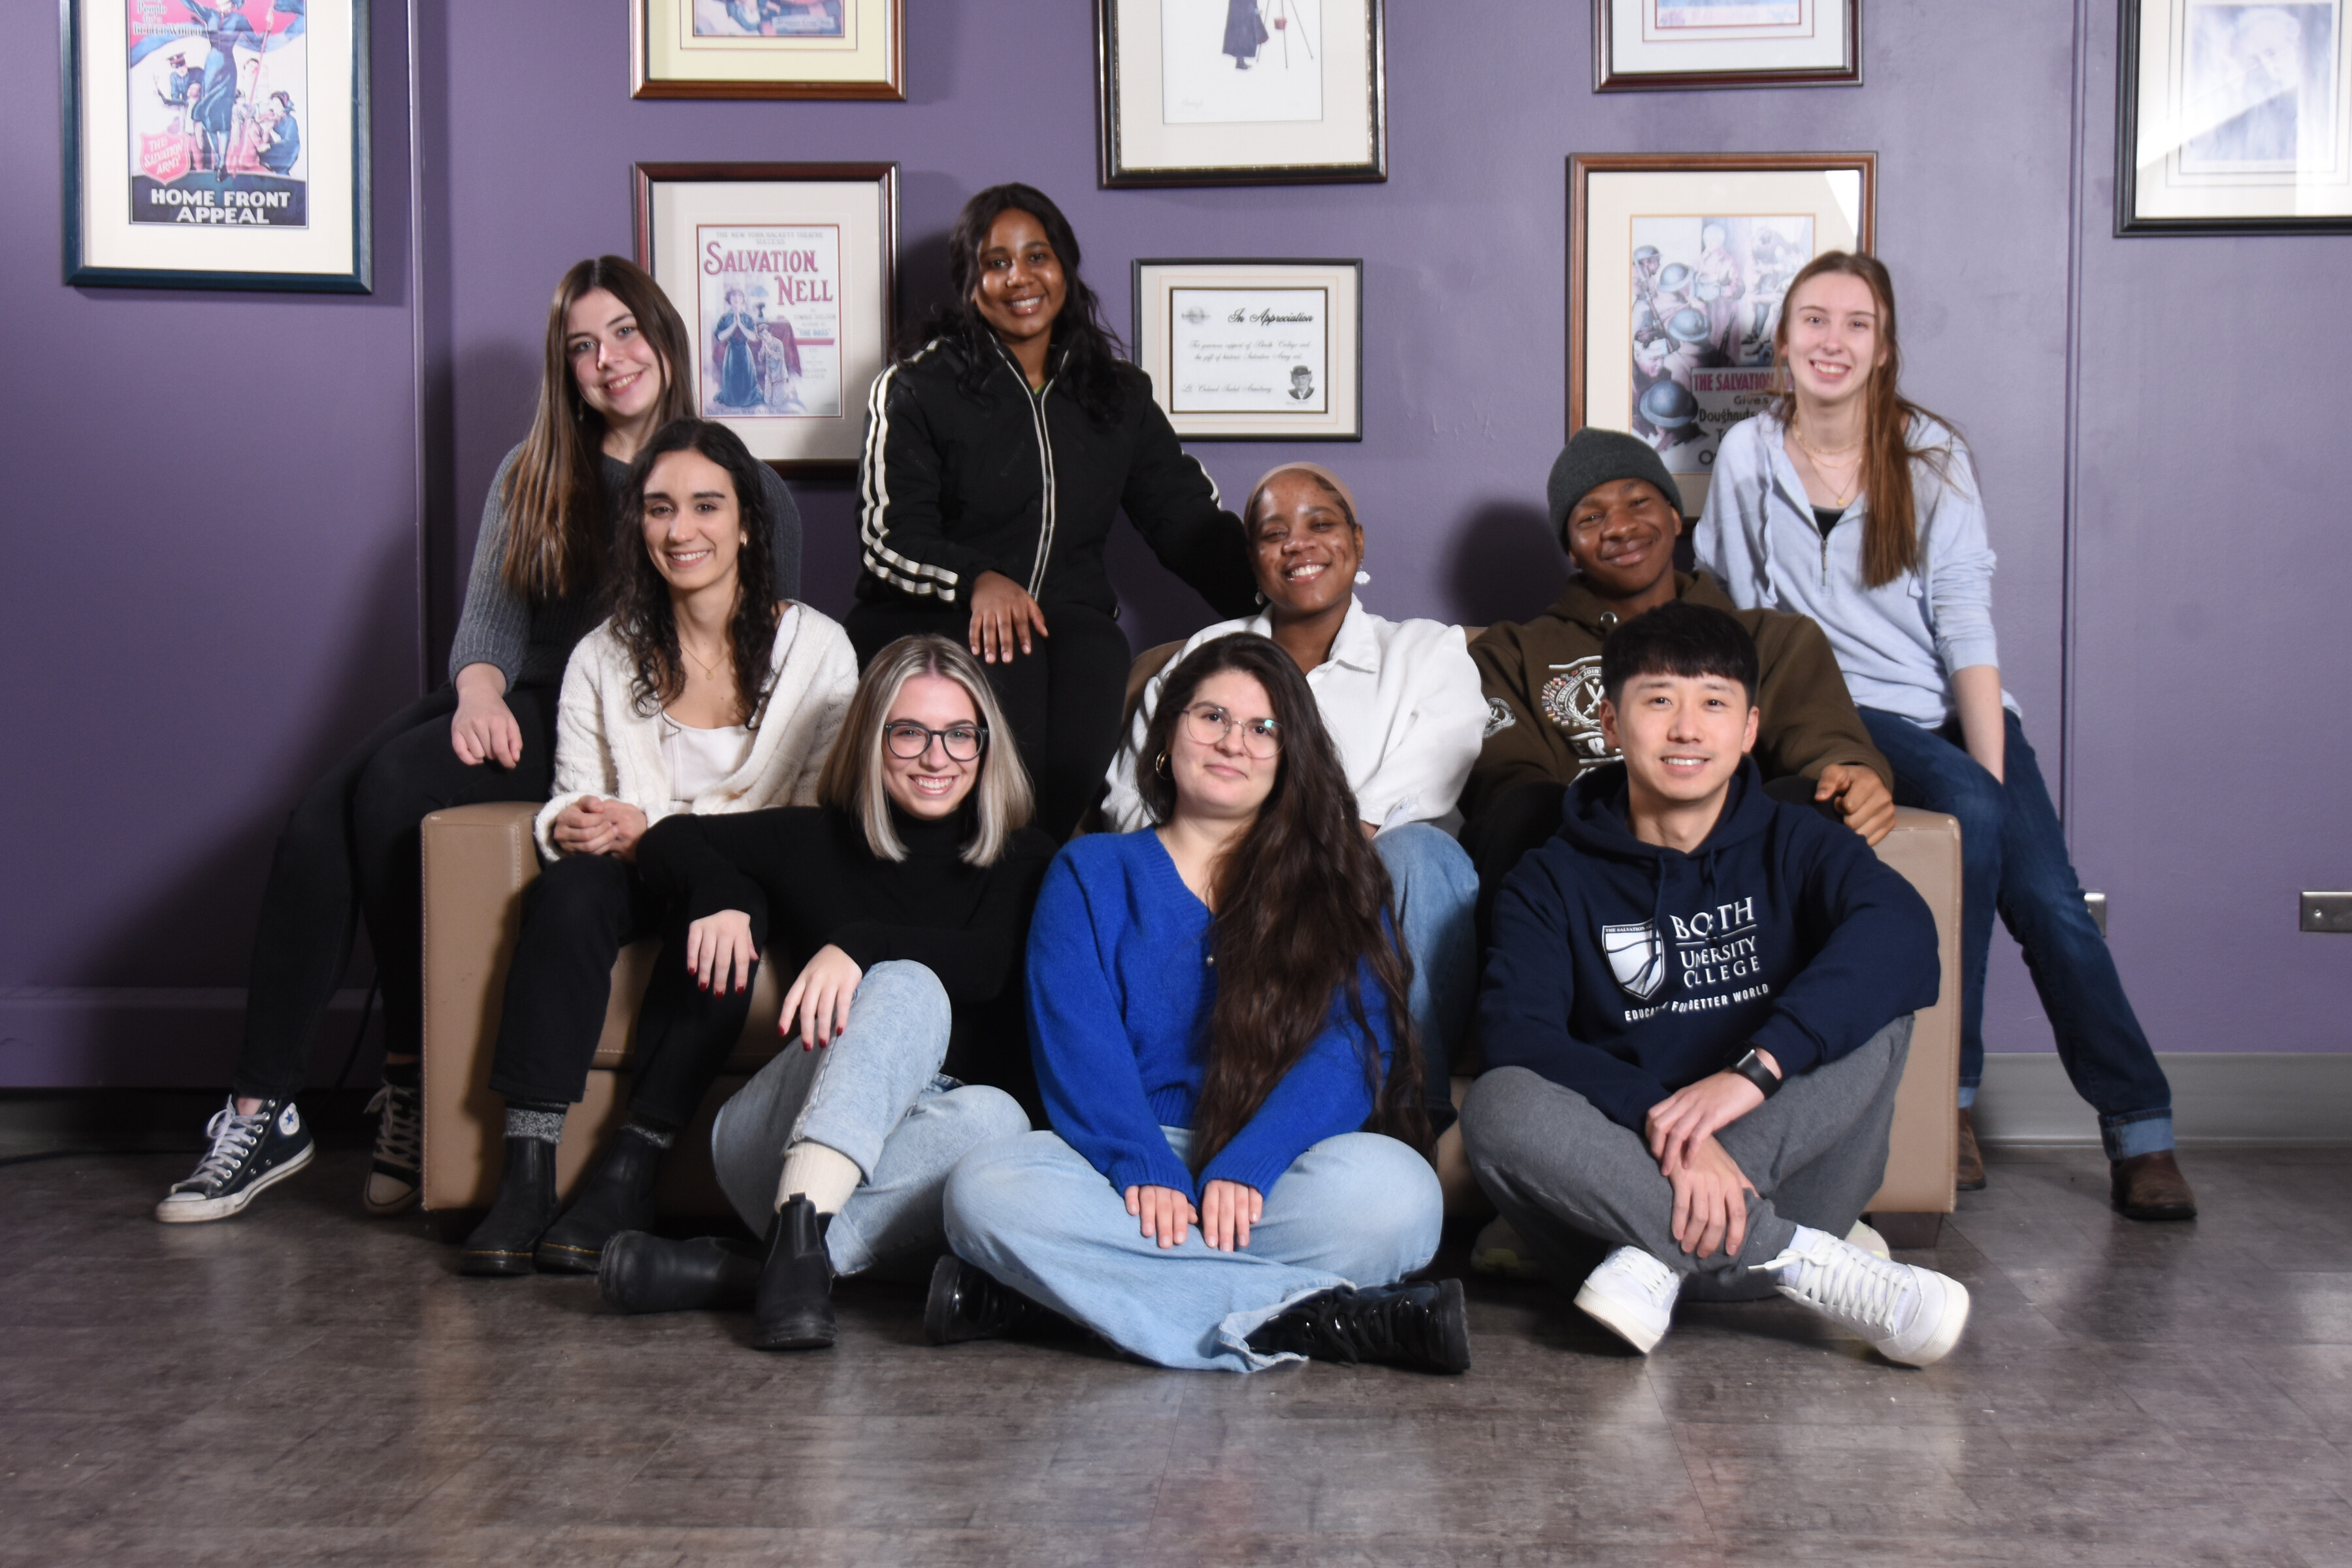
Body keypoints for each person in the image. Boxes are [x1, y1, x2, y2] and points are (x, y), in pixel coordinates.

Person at [155, 257, 804, 1225]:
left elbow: (767, 651)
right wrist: (474, 693)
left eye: (624, 332)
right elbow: (490, 629)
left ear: (663, 338)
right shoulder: (533, 469)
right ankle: (264, 1108)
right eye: (582, 346)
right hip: (515, 695)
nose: (607, 359)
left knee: (387, 791)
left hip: (607, 714)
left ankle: (409, 1078)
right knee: (318, 814)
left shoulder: (738, 486)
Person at [1695, 250, 2195, 1220]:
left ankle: (2142, 1130)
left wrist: (1991, 767)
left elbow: (1966, 621)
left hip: (1942, 706)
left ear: (1884, 349)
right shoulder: (1749, 455)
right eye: (1813, 320)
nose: (1832, 341)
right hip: (1834, 707)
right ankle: (1952, 1103)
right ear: (1785, 343)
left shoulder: (1929, 452)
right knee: (1972, 812)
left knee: (2051, 904)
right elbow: (1737, 603)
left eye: (1856, 324)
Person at [934, 635, 1463, 1375]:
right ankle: (1311, 1319)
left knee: (1402, 1196)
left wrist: (1252, 1163)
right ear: (1168, 734)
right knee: (984, 1190)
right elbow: (1079, 1044)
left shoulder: (1341, 884)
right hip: (1115, 1167)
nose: (1232, 743)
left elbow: (1352, 1046)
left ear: (1291, 756)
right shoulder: (1091, 869)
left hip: (1274, 1170)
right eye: (1210, 716)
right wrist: (1141, 1164)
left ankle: (1051, 1301)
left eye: (1262, 728)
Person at [1463, 602, 1969, 1366]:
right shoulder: (1550, 878)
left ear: (1750, 729)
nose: (1687, 729)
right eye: (1659, 700)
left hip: (1779, 1200)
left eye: (1713, 703)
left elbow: (1902, 935)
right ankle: (1795, 1261)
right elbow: (1516, 1031)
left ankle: (1670, 1254)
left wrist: (1751, 1075)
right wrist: (1671, 1132)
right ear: (1610, 722)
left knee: (1878, 998)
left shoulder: (1799, 842)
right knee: (1500, 1103)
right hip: (1610, 1225)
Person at [456, 419, 856, 1277]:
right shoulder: (605, 652)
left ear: (747, 522)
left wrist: (675, 838)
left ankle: (632, 1163)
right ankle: (526, 1172)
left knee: (726, 921)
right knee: (565, 894)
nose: (682, 531)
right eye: (660, 508)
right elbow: (575, 782)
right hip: (635, 868)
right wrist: (571, 819)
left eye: (706, 507)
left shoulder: (817, 651)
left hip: (758, 875)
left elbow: (811, 819)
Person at [593, 635, 1057, 1350]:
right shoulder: (814, 840)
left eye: (960, 735)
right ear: (873, 739)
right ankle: (793, 1229)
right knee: (906, 987)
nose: (938, 758)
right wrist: (722, 895)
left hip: (909, 1177)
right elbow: (671, 840)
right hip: (777, 1143)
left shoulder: (1025, 858)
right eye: (910, 733)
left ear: (986, 746)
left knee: (999, 1119)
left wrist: (859, 944)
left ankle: (758, 1270)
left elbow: (988, 965)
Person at [849, 182, 1258, 838]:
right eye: (997, 262)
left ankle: (1030, 887)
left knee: (1084, 684)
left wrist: (1276, 593)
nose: (1020, 279)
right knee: (1011, 674)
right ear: (970, 282)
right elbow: (889, 535)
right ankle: (988, 880)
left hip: (1068, 617)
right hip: (941, 614)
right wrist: (977, 579)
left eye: (1037, 256)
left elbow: (1184, 521)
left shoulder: (1118, 395)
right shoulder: (918, 386)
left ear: (1064, 267)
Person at [1100, 463, 1484, 1143]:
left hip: (1369, 891)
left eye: (1321, 525)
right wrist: (1230, 851)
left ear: (1358, 542)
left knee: (1426, 851)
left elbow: (1438, 769)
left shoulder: (1425, 651)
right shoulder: (1205, 655)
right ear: (1254, 560)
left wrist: (1313, 849)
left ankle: (1411, 1116)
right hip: (1231, 889)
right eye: (1273, 534)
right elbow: (1129, 796)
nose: (1298, 545)